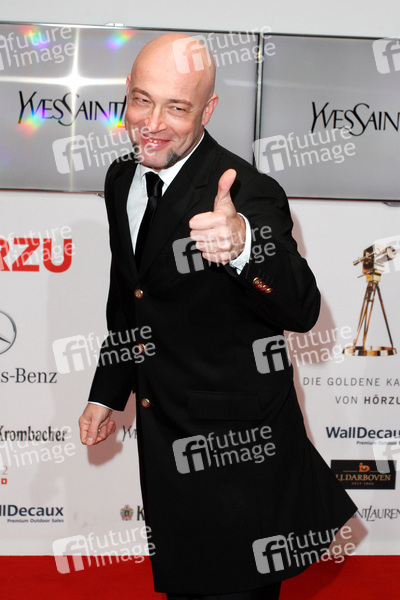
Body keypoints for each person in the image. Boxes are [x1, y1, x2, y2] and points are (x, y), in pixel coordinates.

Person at [79, 32, 356, 600]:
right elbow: (130, 297)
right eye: (142, 100)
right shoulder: (121, 178)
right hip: (166, 440)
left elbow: (302, 309)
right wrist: (108, 390)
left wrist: (245, 246)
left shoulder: (248, 191)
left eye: (177, 108)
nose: (152, 124)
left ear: (208, 111)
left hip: (238, 458)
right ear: (126, 92)